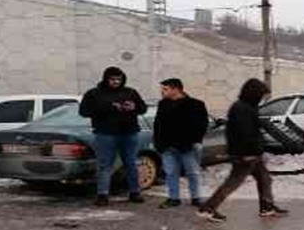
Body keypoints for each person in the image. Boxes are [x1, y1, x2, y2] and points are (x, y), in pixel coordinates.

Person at [198, 78, 289, 223]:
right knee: (232, 183)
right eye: (261, 95)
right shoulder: (241, 109)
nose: (261, 99)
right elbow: (242, 134)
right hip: (245, 154)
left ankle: (266, 207)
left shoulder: (247, 107)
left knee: (264, 179)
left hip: (252, 153)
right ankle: (208, 208)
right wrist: (247, 153)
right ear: (253, 93)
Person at [79, 66, 147, 206]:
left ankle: (135, 192)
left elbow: (143, 108)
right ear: (106, 79)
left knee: (131, 164)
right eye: (112, 79)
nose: (116, 82)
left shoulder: (130, 92)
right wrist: (109, 107)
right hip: (105, 134)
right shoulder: (94, 93)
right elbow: (84, 112)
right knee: (105, 165)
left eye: (119, 79)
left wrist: (133, 107)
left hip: (129, 133)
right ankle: (102, 195)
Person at [153, 78, 209, 209]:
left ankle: (196, 198)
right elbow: (158, 124)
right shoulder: (163, 104)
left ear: (176, 89)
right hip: (167, 146)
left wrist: (193, 141)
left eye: (165, 89)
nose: (162, 91)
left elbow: (202, 125)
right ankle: (173, 198)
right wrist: (159, 143)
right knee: (171, 172)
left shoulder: (195, 104)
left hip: (188, 146)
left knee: (193, 173)